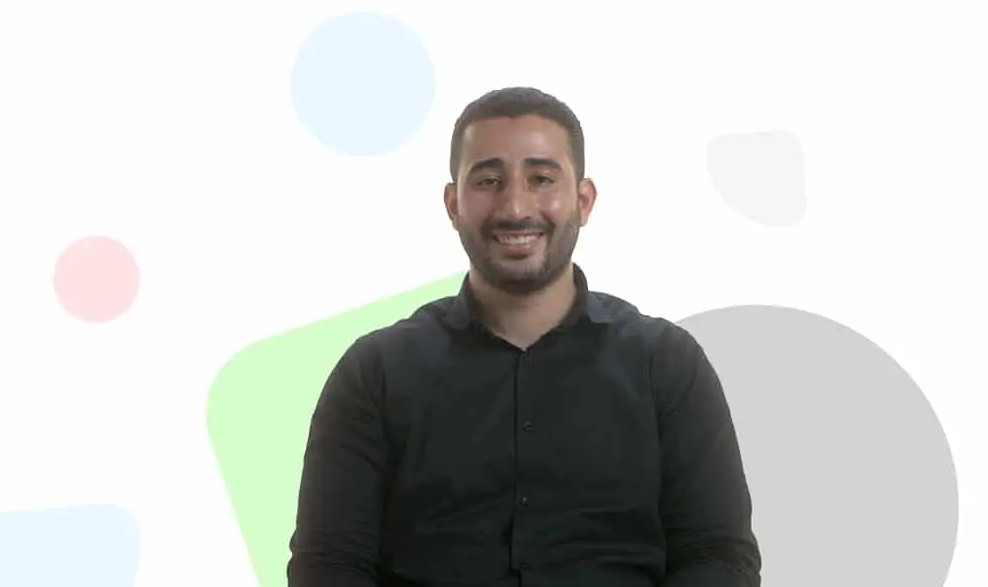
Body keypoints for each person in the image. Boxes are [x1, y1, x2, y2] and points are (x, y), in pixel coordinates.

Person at [286, 87, 761, 587]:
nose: (515, 207)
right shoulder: (374, 373)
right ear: (453, 203)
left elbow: (719, 557)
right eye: (489, 181)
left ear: (583, 200)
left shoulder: (666, 364)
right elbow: (328, 565)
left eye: (542, 179)